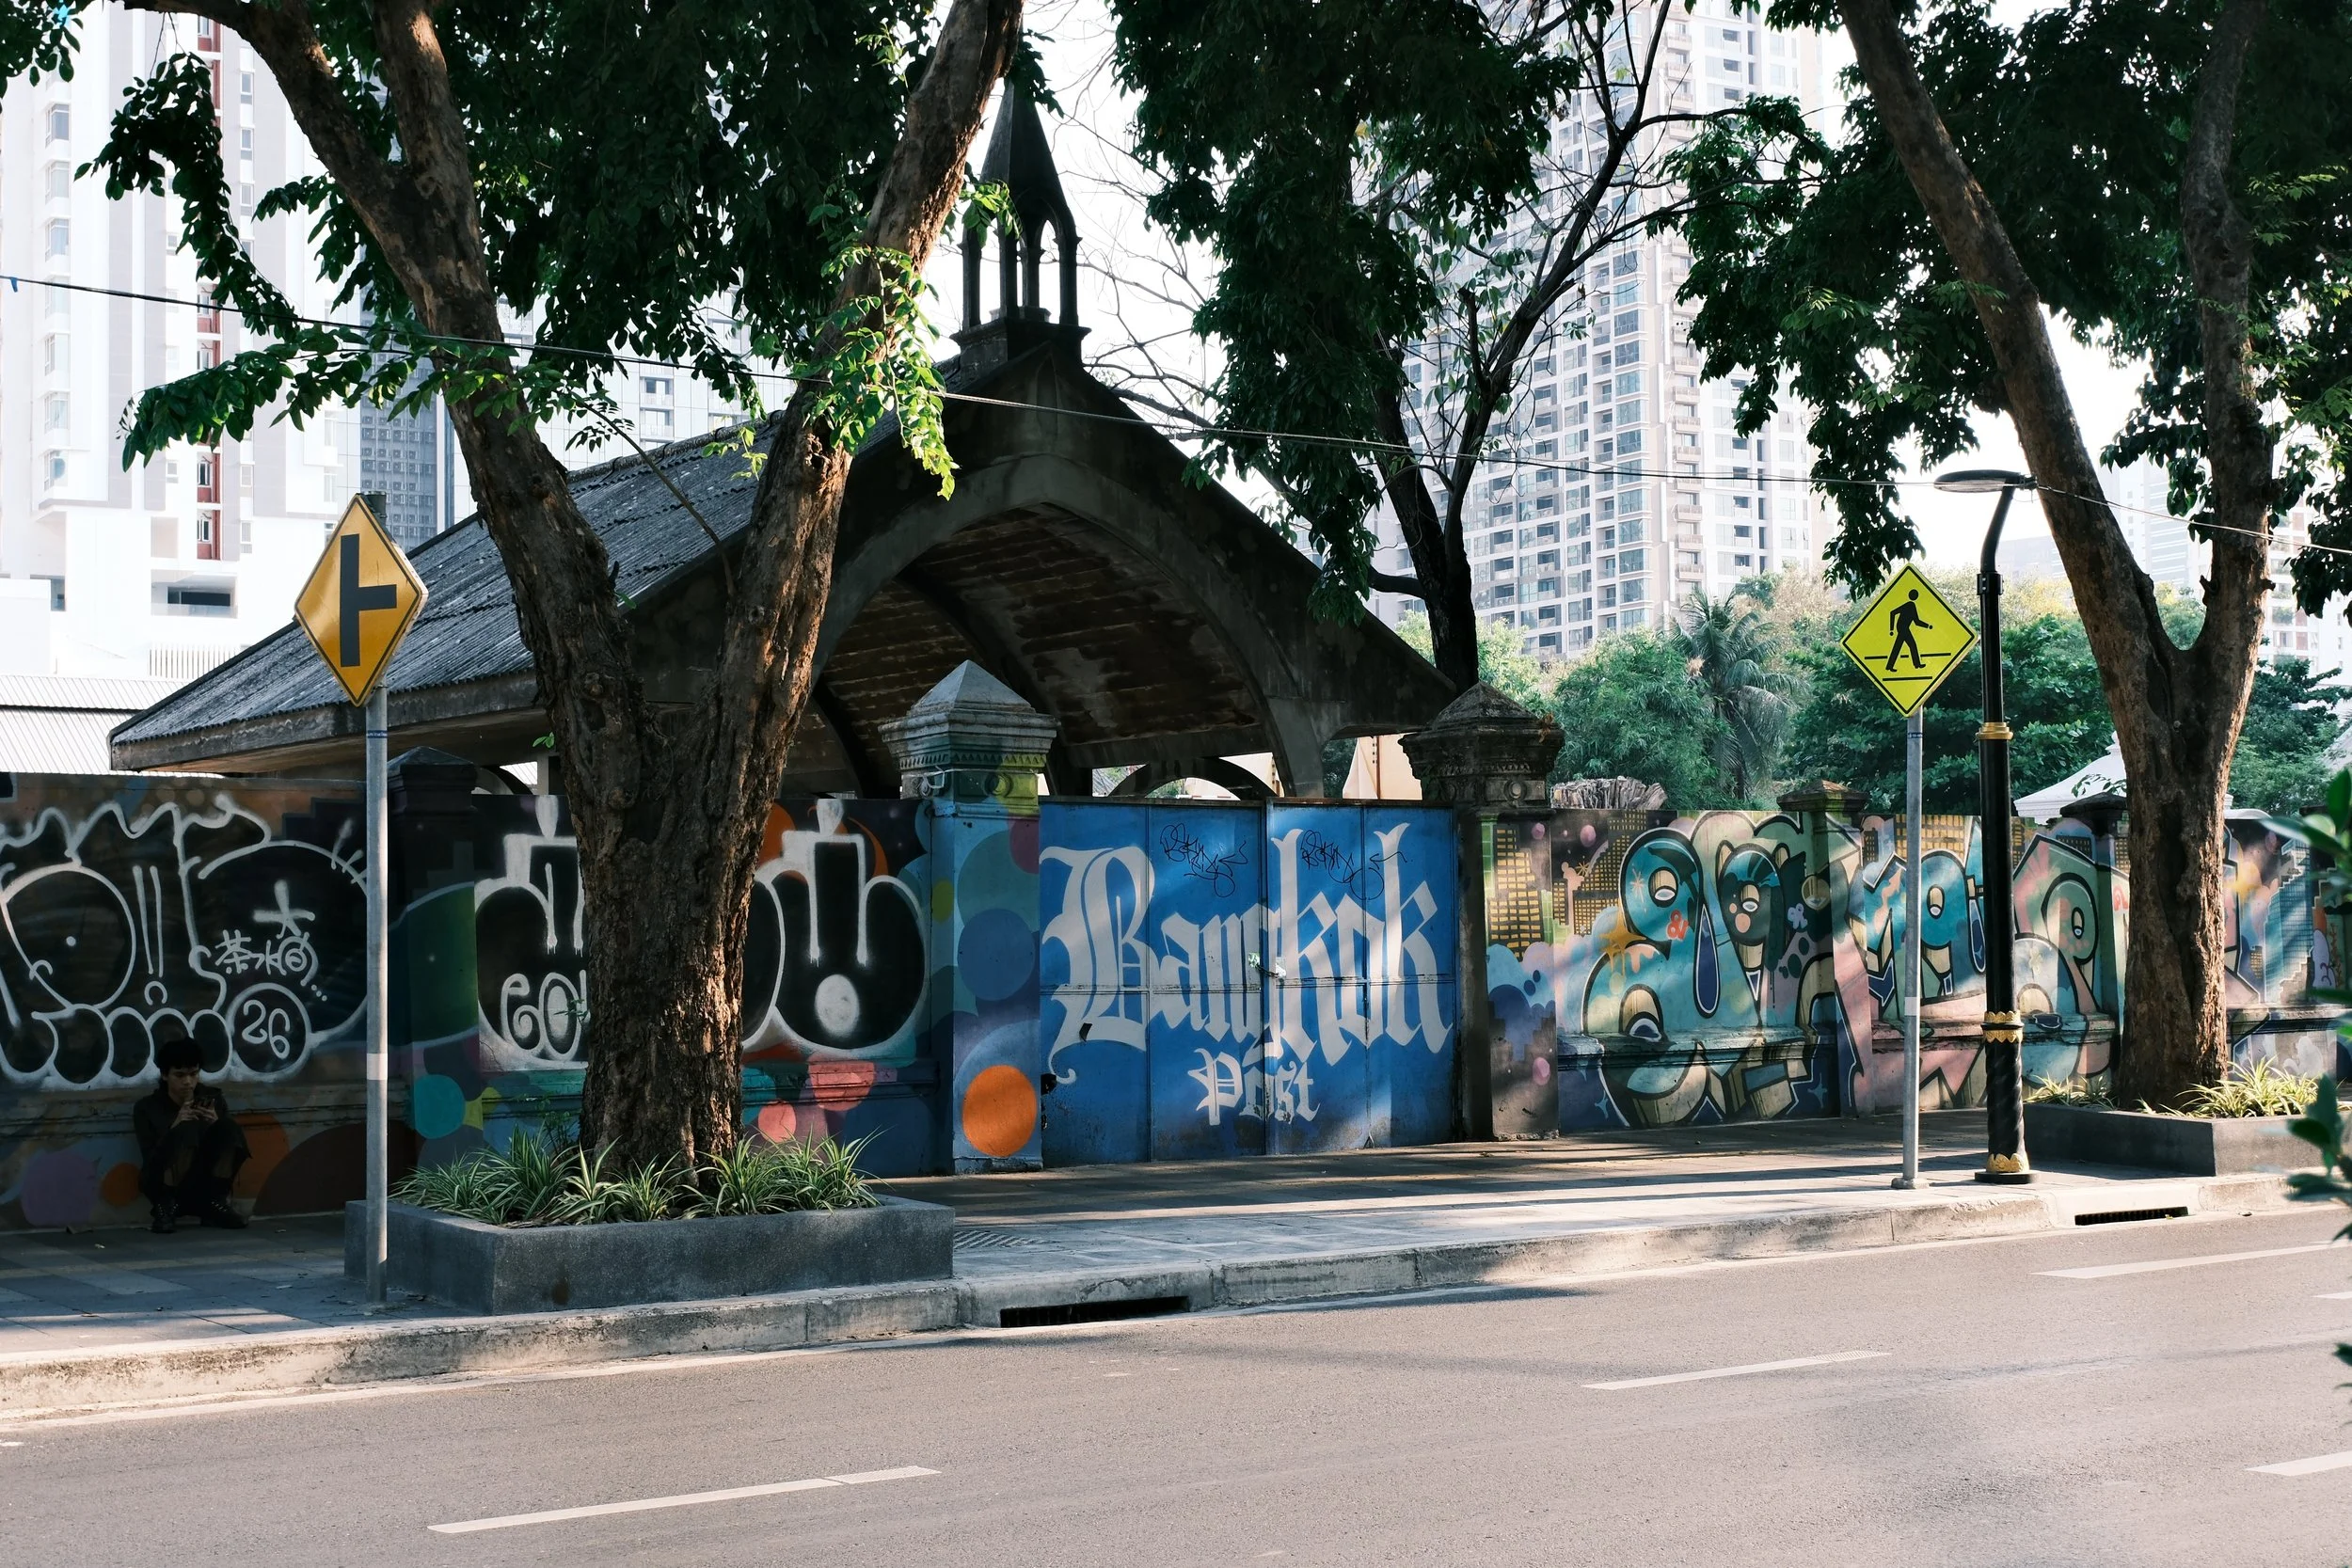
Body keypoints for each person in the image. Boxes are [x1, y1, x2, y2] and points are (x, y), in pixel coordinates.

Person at [134, 1038, 250, 1233]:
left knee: (228, 1127)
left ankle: (216, 1202)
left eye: (193, 1074)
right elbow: (150, 1155)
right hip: (161, 1181)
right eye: (179, 1075)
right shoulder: (147, 1108)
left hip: (204, 1177)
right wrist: (175, 1125)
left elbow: (227, 1144)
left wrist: (215, 1123)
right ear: (165, 1075)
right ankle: (166, 1206)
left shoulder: (213, 1099)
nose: (188, 1082)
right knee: (185, 1129)